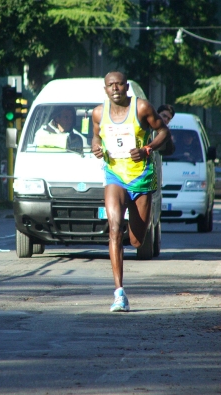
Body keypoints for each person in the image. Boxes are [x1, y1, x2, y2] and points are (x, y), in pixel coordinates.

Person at [92, 71, 171, 312]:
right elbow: (96, 136)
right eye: (110, 85)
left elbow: (164, 132)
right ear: (105, 89)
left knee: (137, 241)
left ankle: (132, 226)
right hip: (114, 175)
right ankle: (119, 294)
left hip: (141, 178)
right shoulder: (98, 113)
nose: (115, 88)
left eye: (119, 84)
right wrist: (95, 146)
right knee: (114, 228)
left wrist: (147, 149)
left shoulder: (142, 108)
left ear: (126, 87)